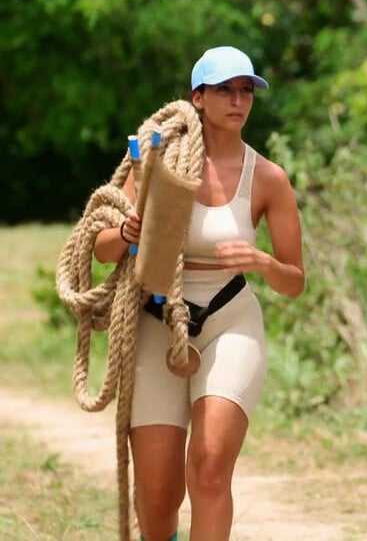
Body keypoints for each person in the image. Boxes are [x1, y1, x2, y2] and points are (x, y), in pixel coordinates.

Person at [93, 46, 305, 541]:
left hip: (230, 318)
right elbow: (99, 248)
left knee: (210, 467)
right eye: (225, 90)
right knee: (158, 493)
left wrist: (264, 262)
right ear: (198, 97)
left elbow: (294, 281)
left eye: (246, 90)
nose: (238, 101)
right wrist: (127, 231)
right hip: (154, 319)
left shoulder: (268, 178)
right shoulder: (152, 161)